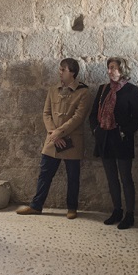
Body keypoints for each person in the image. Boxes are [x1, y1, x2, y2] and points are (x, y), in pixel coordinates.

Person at [16, 58, 92, 219]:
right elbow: (46, 113)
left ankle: (72, 208)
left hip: (72, 141)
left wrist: (60, 133)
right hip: (53, 139)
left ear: (72, 72)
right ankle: (36, 206)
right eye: (60, 69)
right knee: (44, 174)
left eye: (63, 70)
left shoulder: (83, 92)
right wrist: (53, 133)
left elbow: (78, 117)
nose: (60, 73)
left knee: (73, 176)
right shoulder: (53, 90)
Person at [89, 57, 138, 230]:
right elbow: (93, 115)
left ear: (122, 70)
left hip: (121, 139)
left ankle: (130, 214)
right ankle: (117, 210)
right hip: (104, 139)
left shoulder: (131, 90)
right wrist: (96, 131)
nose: (110, 71)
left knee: (126, 178)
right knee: (111, 177)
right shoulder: (103, 89)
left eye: (113, 68)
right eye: (109, 67)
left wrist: (125, 131)